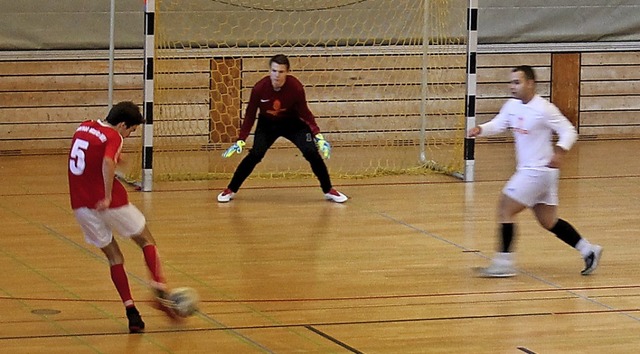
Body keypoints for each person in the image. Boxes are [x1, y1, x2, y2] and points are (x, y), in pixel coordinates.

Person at [468, 65, 602, 277]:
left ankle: (503, 263)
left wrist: (560, 151)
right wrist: (481, 129)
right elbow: (499, 124)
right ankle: (588, 250)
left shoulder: (544, 109)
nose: (512, 86)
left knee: (505, 208)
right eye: (511, 82)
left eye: (517, 82)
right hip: (538, 173)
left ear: (530, 83)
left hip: (538, 171)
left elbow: (568, 131)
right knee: (548, 221)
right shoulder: (512, 106)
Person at [67, 101, 179, 333]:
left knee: (114, 257)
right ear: (121, 124)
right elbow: (107, 161)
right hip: (109, 203)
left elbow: (94, 153)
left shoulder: (84, 127)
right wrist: (107, 196)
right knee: (146, 240)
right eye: (130, 131)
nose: (128, 136)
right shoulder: (114, 136)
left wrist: (118, 157)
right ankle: (159, 288)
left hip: (81, 206)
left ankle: (132, 313)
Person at [217, 54, 347, 203]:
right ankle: (230, 189)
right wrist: (241, 139)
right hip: (267, 124)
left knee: (311, 152)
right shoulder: (259, 88)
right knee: (256, 154)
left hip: (292, 123)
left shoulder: (295, 87)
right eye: (273, 71)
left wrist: (318, 135)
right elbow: (250, 115)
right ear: (269, 70)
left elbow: (305, 112)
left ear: (287, 72)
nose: (276, 75)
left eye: (280, 72)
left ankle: (328, 190)